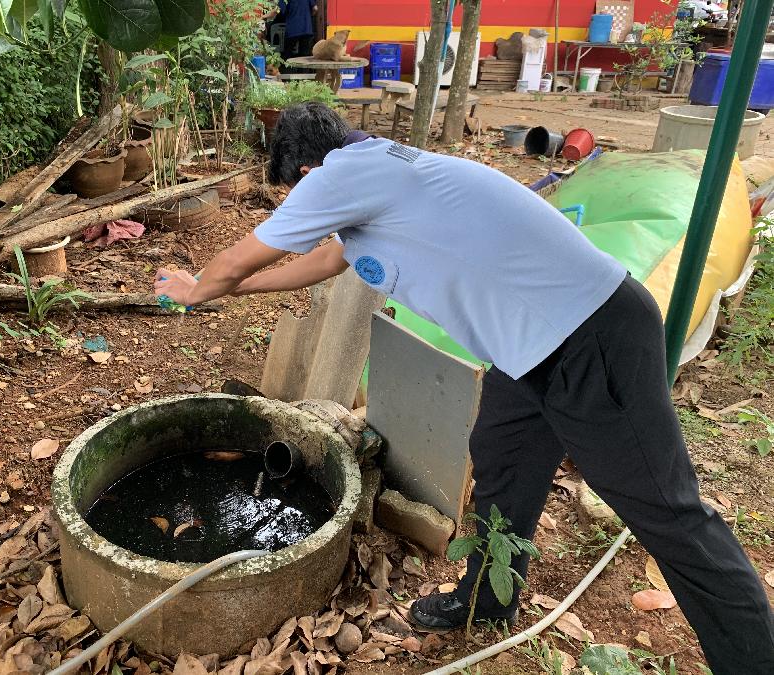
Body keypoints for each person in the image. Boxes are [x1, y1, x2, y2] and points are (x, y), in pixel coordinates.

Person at [154, 103, 774, 675]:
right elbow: (324, 262)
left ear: (307, 171)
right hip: (532, 348)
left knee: (667, 512)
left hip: (591, 336)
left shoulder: (342, 173)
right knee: (503, 456)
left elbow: (244, 256)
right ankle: (488, 596)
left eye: (296, 192)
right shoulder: (377, 172)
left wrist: (197, 288)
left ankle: (753, 658)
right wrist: (233, 290)